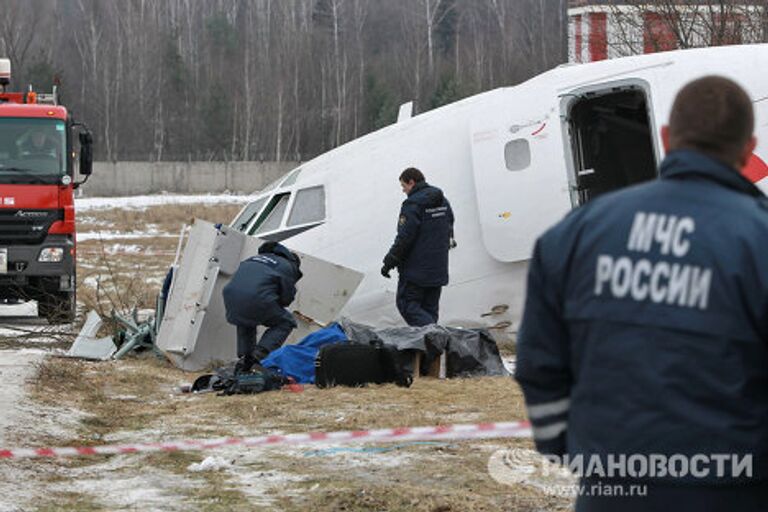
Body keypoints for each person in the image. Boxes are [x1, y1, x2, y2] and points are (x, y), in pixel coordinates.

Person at [514, 76, 768, 510]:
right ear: (749, 148)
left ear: (667, 138)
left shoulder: (575, 235)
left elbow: (539, 362)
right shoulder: (757, 239)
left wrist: (569, 448)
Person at [381, 167, 454, 326]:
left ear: (412, 182)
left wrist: (389, 262)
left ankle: (438, 336)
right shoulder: (443, 201)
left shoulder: (412, 204)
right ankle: (430, 349)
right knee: (429, 310)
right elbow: (450, 224)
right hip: (438, 268)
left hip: (416, 271)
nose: (403, 190)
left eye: (404, 186)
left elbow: (405, 237)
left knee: (407, 305)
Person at [222, 241, 303, 373]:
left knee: (246, 321)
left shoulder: (251, 259)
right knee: (286, 322)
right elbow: (286, 299)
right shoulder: (288, 266)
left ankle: (244, 360)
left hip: (231, 297)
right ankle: (257, 357)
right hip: (257, 298)